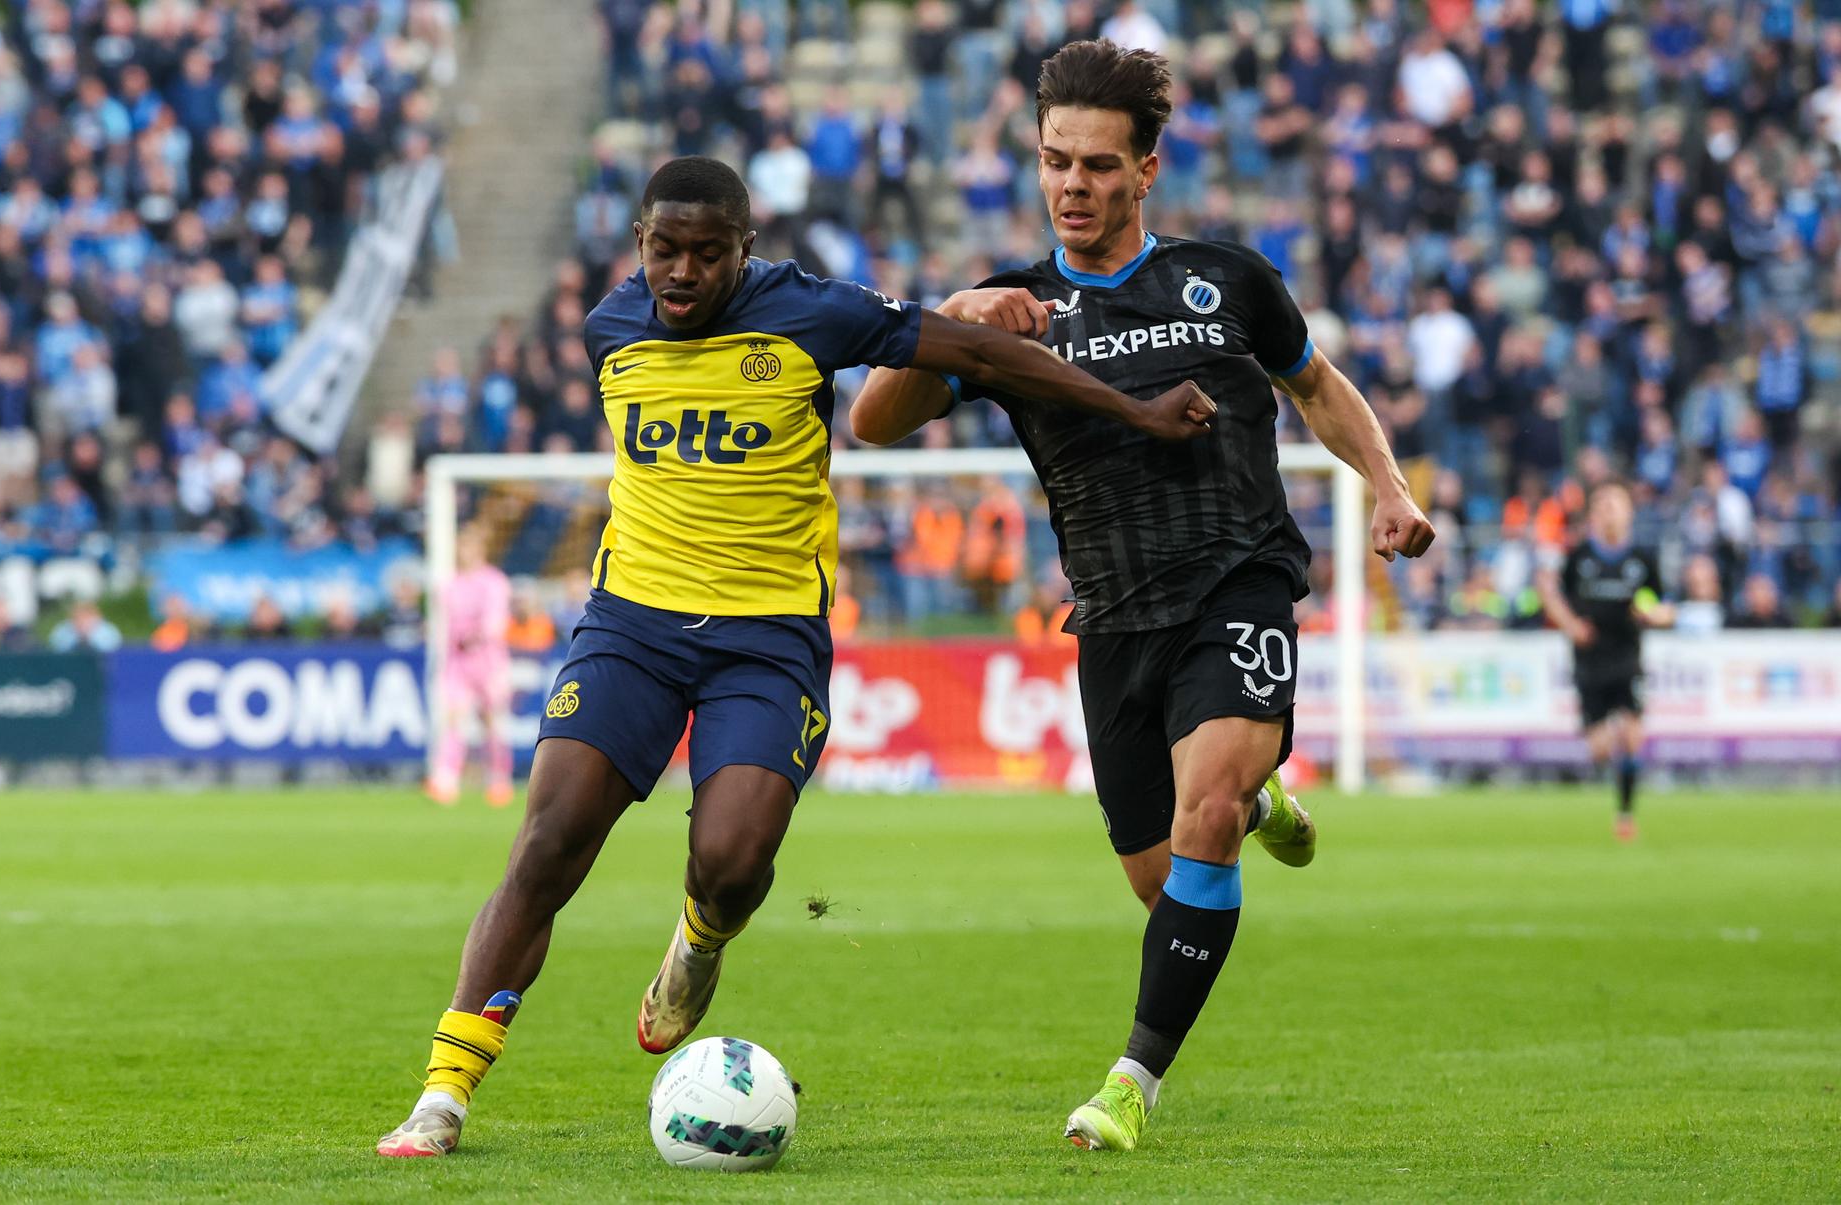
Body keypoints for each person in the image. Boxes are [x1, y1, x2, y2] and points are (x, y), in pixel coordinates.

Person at [375, 155, 1214, 1158]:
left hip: (767, 639)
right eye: (664, 251)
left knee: (731, 862)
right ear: (639, 243)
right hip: (630, 624)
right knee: (550, 838)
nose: (681, 274)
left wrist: (1132, 408)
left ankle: (701, 935)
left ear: (746, 250)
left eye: (707, 253)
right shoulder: (612, 328)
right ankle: (445, 1091)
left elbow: (975, 357)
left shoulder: (810, 312)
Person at [850, 40, 1437, 1153]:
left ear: (1147, 170)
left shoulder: (1228, 282)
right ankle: (1263, 799)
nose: (1073, 185)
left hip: (1241, 578)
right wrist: (960, 313)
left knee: (1203, 808)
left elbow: (1315, 383)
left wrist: (1389, 489)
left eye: (1099, 166)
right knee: (1163, 876)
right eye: (1054, 161)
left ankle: (1129, 1082)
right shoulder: (1013, 312)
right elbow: (872, 423)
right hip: (1114, 619)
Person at [1538, 481, 1673, 842]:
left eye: (1616, 502)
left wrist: (1652, 616)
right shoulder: (1580, 557)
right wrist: (1571, 625)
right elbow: (1552, 595)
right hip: (1589, 661)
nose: (1609, 510)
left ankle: (1626, 816)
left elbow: (1664, 607)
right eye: (1602, 504)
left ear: (1629, 511)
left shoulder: (1642, 560)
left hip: (1627, 657)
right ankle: (1612, 767)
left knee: (1631, 736)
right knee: (1600, 748)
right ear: (1594, 515)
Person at [428, 524, 515, 807]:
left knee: (491, 721)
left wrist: (476, 636)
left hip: (488, 660)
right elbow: (444, 625)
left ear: (480, 550)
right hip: (458, 662)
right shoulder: (450, 584)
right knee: (454, 716)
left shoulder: (494, 581)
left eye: (469, 547)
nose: (463, 553)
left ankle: (499, 779)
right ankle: (446, 778)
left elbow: (496, 623)